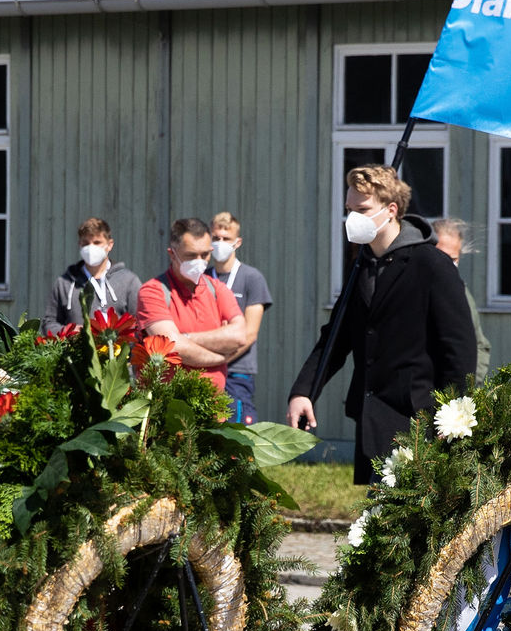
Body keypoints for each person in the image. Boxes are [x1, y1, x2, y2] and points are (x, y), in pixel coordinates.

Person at [287, 165, 477, 484]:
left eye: (362, 210)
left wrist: (454, 418)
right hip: (372, 421)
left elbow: (459, 350)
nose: (352, 218)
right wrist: (304, 391)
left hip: (420, 423)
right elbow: (335, 338)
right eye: (349, 209)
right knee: (377, 513)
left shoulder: (432, 265)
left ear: (391, 210)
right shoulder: (361, 266)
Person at [135, 218, 245, 391]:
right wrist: (220, 357)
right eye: (191, 255)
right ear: (172, 254)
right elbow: (171, 345)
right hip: (168, 402)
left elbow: (239, 336)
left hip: (215, 403)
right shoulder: (153, 291)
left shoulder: (217, 289)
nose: (199, 261)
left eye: (205, 254)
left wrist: (185, 337)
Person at [209, 211, 272, 423]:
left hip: (236, 370)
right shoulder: (203, 278)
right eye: (215, 238)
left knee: (236, 430)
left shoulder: (251, 278)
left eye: (226, 238)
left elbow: (250, 333)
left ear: (237, 242)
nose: (220, 243)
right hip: (204, 369)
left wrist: (218, 360)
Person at [45, 217, 142, 331]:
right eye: (86, 243)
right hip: (78, 343)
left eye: (97, 242)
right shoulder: (65, 283)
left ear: (109, 245)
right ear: (79, 245)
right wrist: (69, 332)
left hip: (117, 342)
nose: (91, 248)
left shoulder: (129, 281)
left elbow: (140, 322)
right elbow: (49, 323)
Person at [431, 217, 491, 378]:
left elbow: (480, 345)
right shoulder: (415, 288)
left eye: (453, 259)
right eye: (442, 256)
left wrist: (471, 384)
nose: (447, 264)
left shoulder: (461, 292)